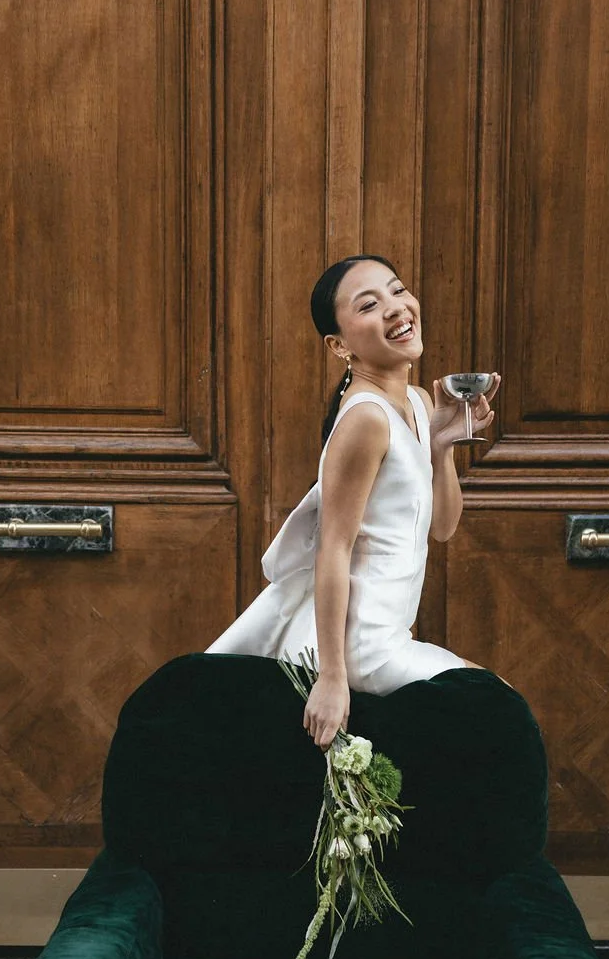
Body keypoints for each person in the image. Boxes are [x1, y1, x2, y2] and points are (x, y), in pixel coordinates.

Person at [205, 255, 501, 749]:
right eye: (369, 304)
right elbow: (333, 550)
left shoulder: (417, 403)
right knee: (496, 703)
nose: (396, 307)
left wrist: (443, 446)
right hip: (362, 644)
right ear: (339, 345)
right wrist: (332, 678)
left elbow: (443, 528)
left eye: (397, 290)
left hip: (388, 634)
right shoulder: (366, 420)